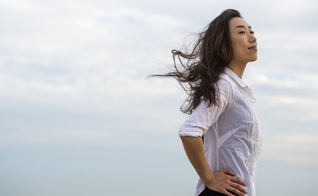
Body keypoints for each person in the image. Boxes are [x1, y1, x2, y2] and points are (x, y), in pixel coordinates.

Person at [152, 9, 262, 196]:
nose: (252, 38)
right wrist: (210, 179)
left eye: (251, 31)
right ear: (223, 47)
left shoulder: (236, 89)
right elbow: (189, 132)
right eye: (241, 32)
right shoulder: (225, 85)